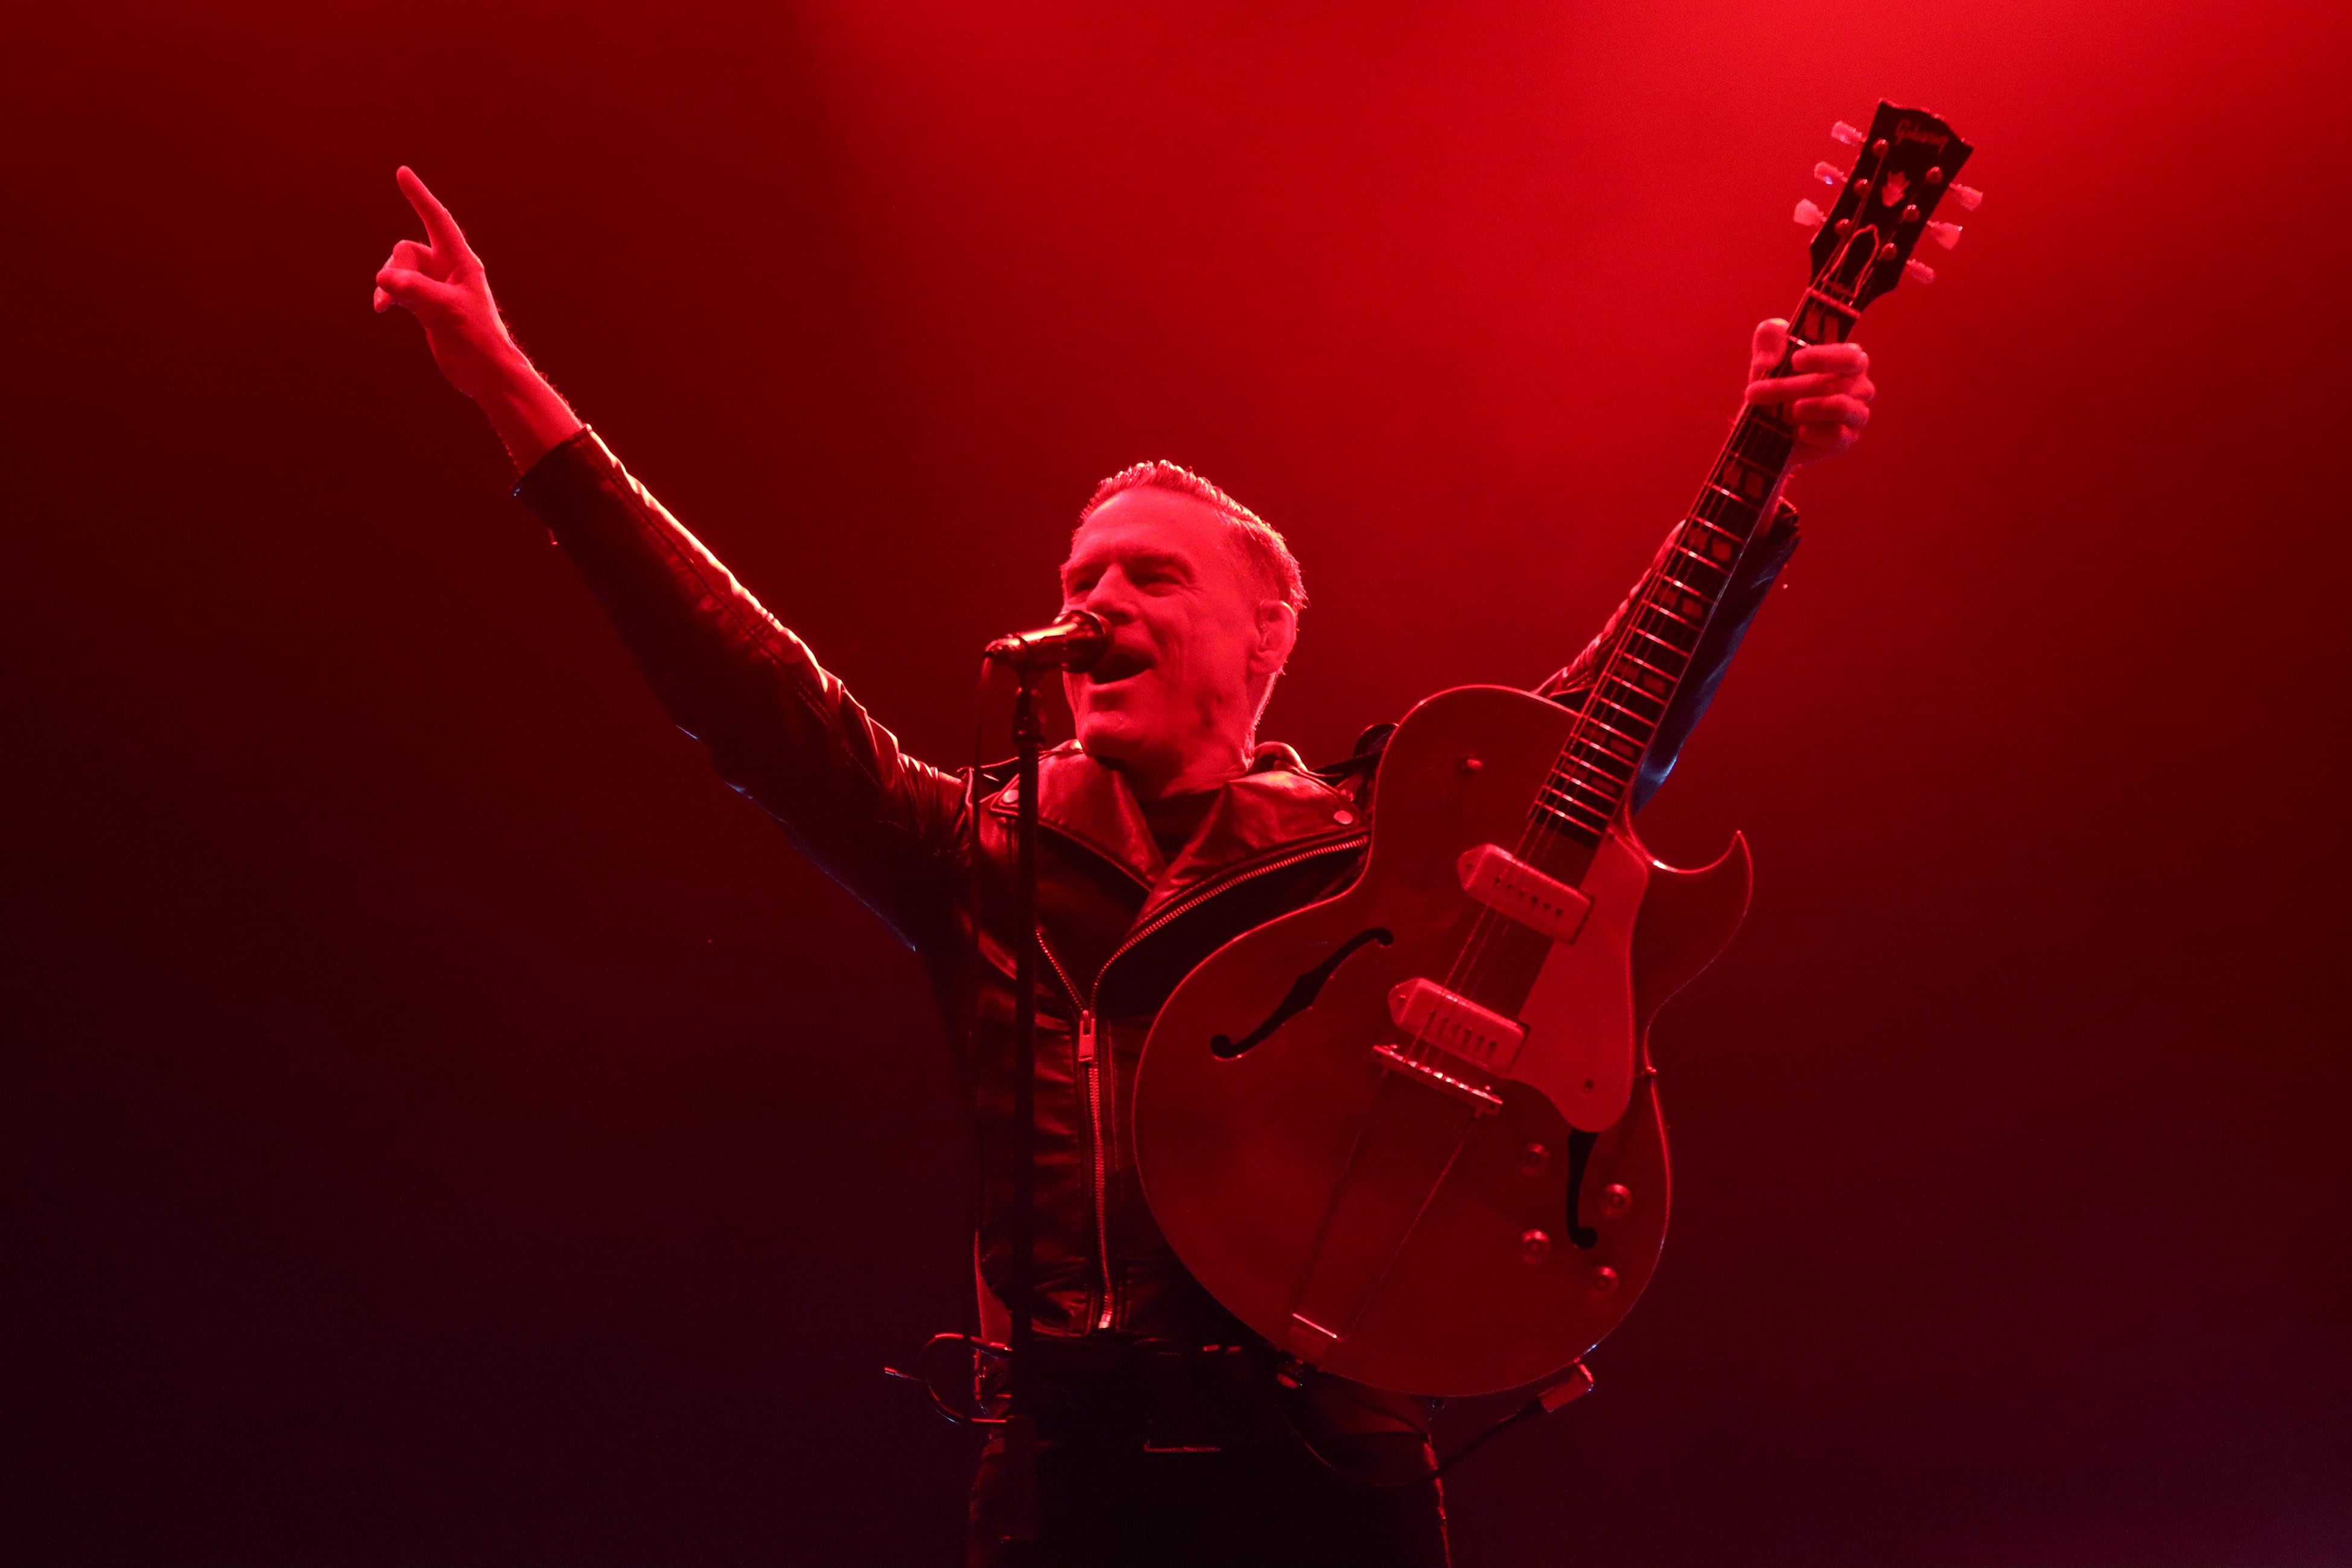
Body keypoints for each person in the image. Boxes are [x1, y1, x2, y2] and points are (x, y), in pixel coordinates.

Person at [372, 164, 1874, 1567]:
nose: (1097, 603)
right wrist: (511, 386)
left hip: (1328, 1448)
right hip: (1061, 1461)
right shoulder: (980, 844)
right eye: (1078, 579)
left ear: (1264, 635)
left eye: (1150, 575)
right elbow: (744, 691)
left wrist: (1757, 470)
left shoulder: (1369, 841)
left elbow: (1597, 727)